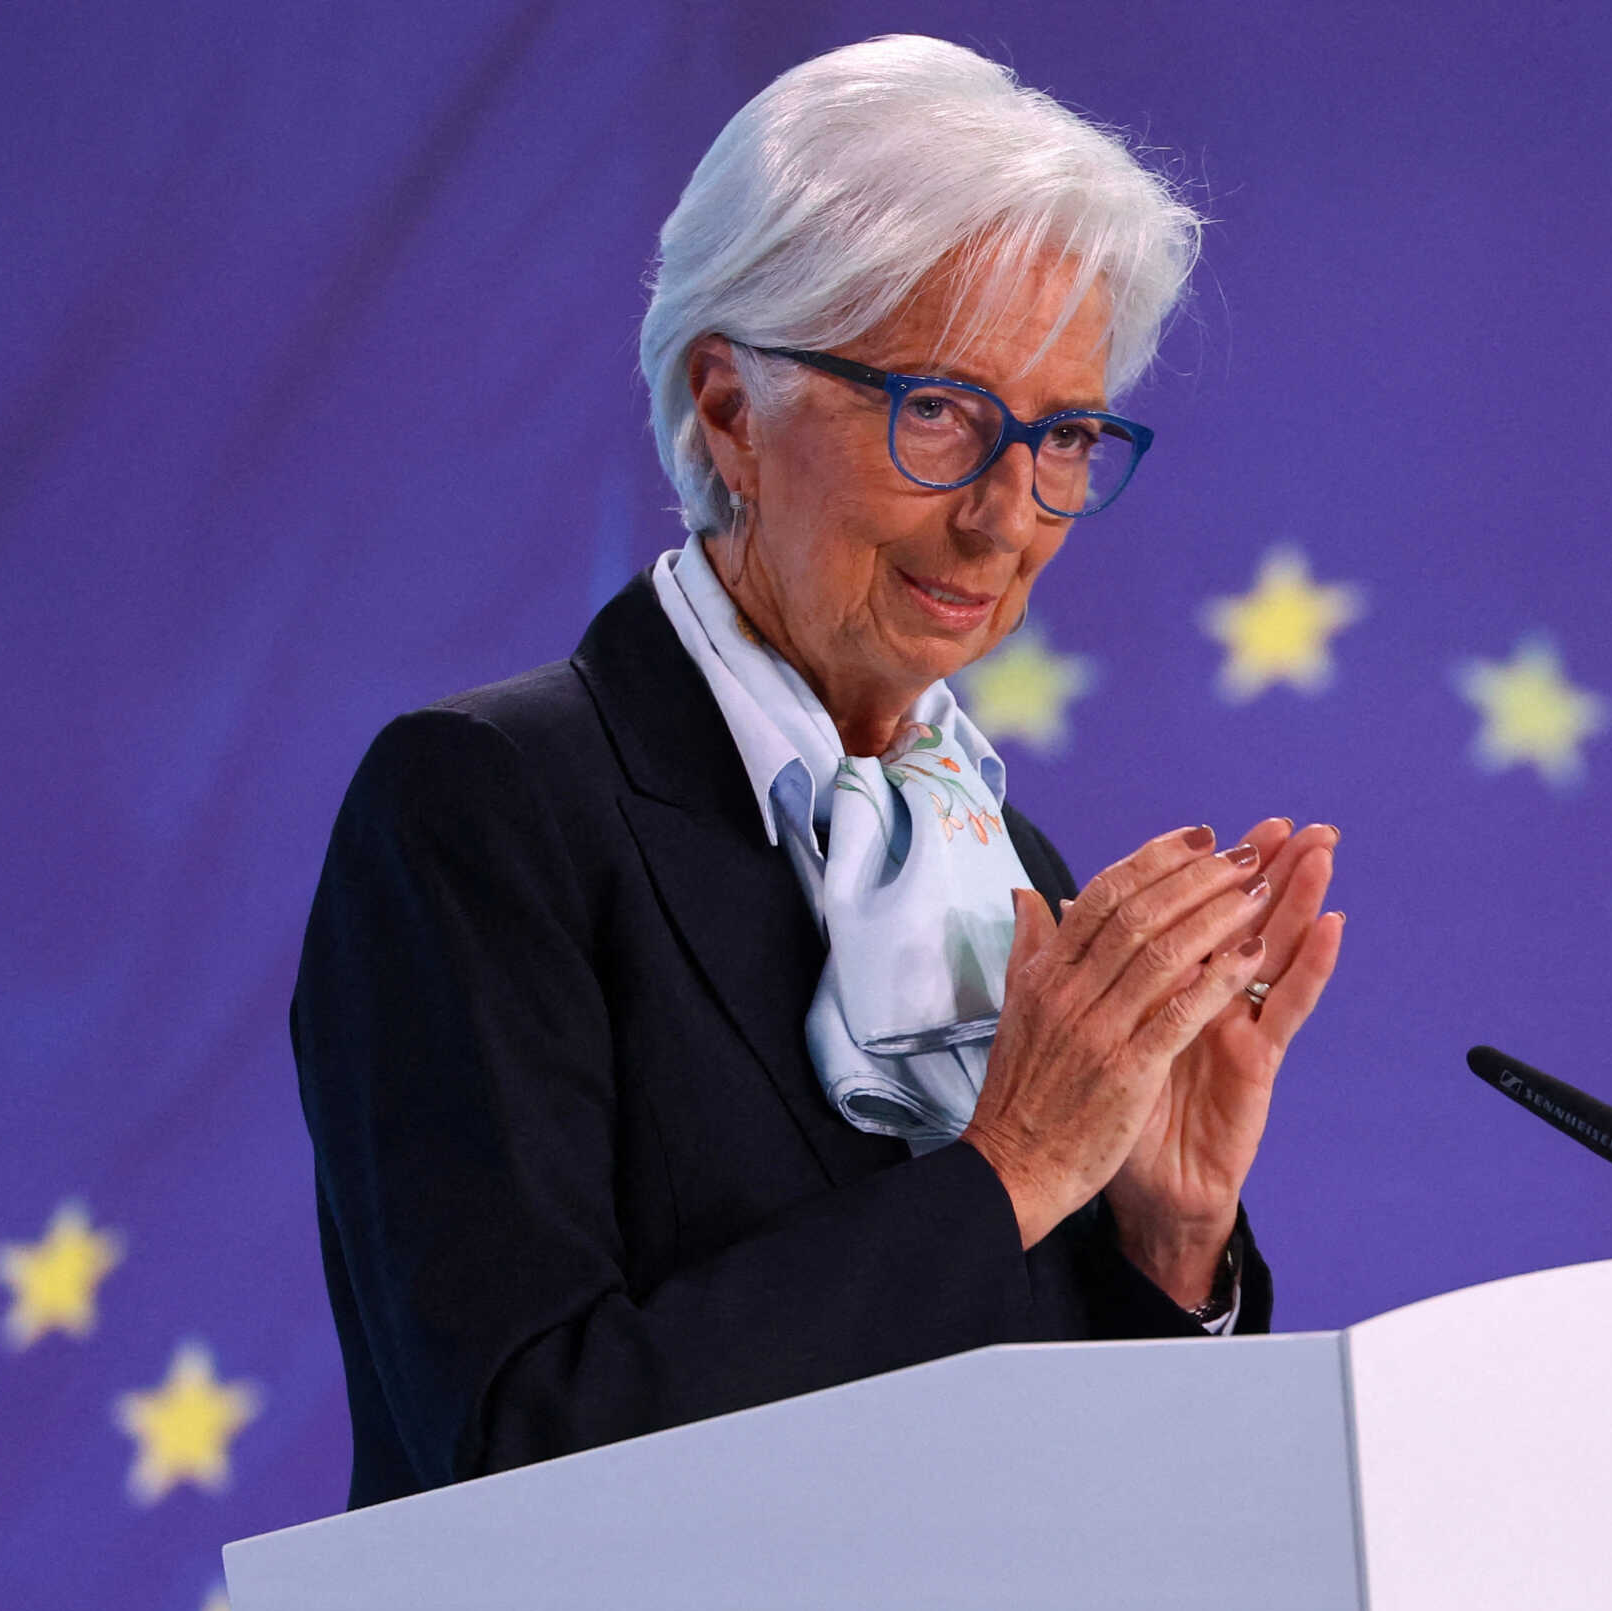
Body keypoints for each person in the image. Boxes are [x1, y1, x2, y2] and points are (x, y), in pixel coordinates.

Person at [292, 34, 1345, 1509]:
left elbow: (1096, 1511)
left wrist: (1170, 1248)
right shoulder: (487, 807)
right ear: (730, 411)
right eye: (943, 417)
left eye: (1065, 438)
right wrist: (1010, 1171)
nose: (1009, 518)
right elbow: (519, 1450)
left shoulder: (1012, 866)